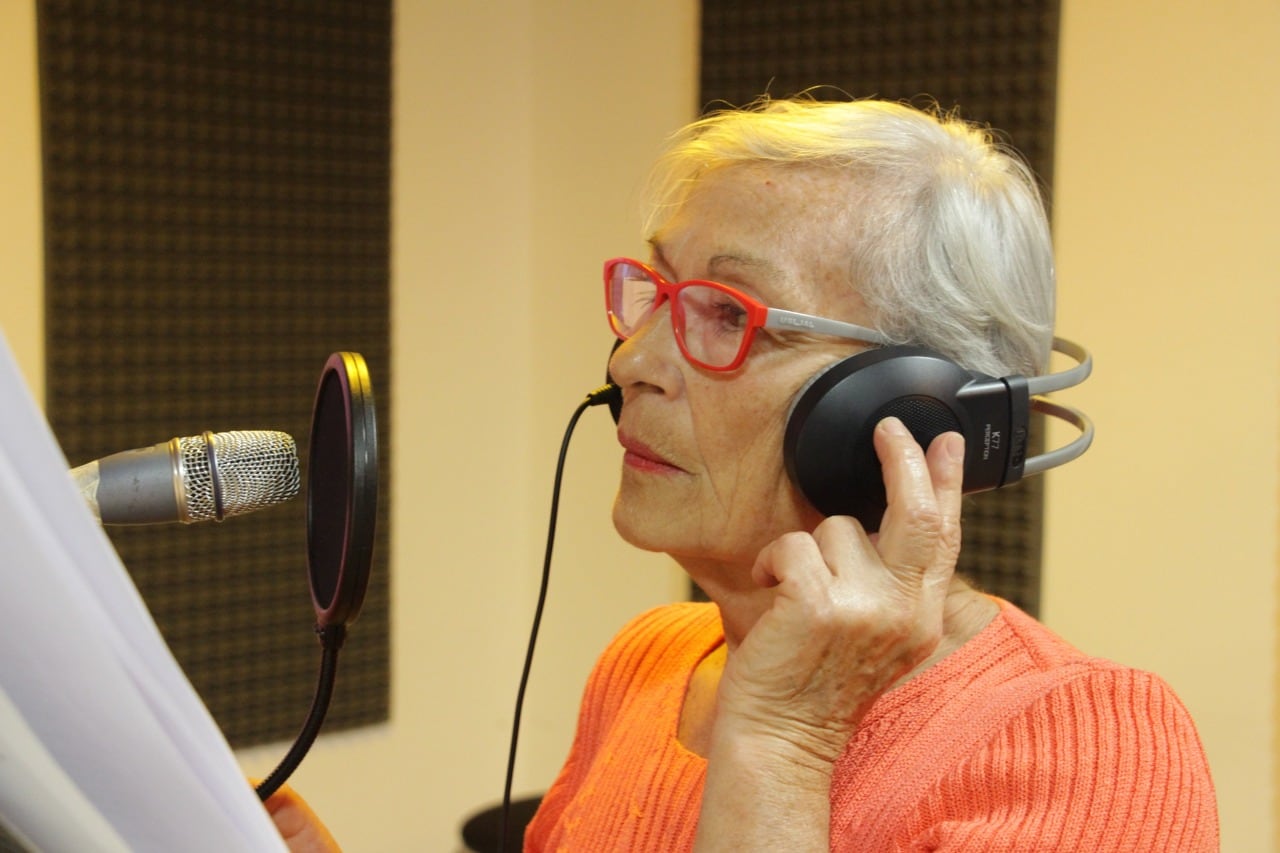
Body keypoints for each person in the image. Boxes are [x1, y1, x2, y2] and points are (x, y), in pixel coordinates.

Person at [269, 97, 1219, 851]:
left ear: (912, 406)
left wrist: (779, 745)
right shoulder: (649, 660)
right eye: (659, 291)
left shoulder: (1083, 745)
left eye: (727, 313)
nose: (631, 359)